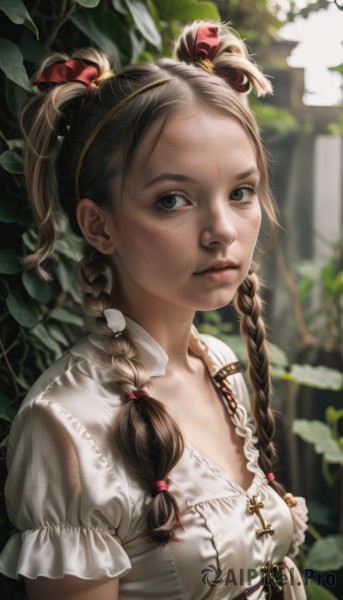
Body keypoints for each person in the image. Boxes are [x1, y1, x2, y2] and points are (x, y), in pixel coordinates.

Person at [0, 20, 307, 600]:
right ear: (99, 224)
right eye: (173, 200)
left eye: (241, 192)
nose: (222, 232)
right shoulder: (65, 425)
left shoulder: (215, 363)